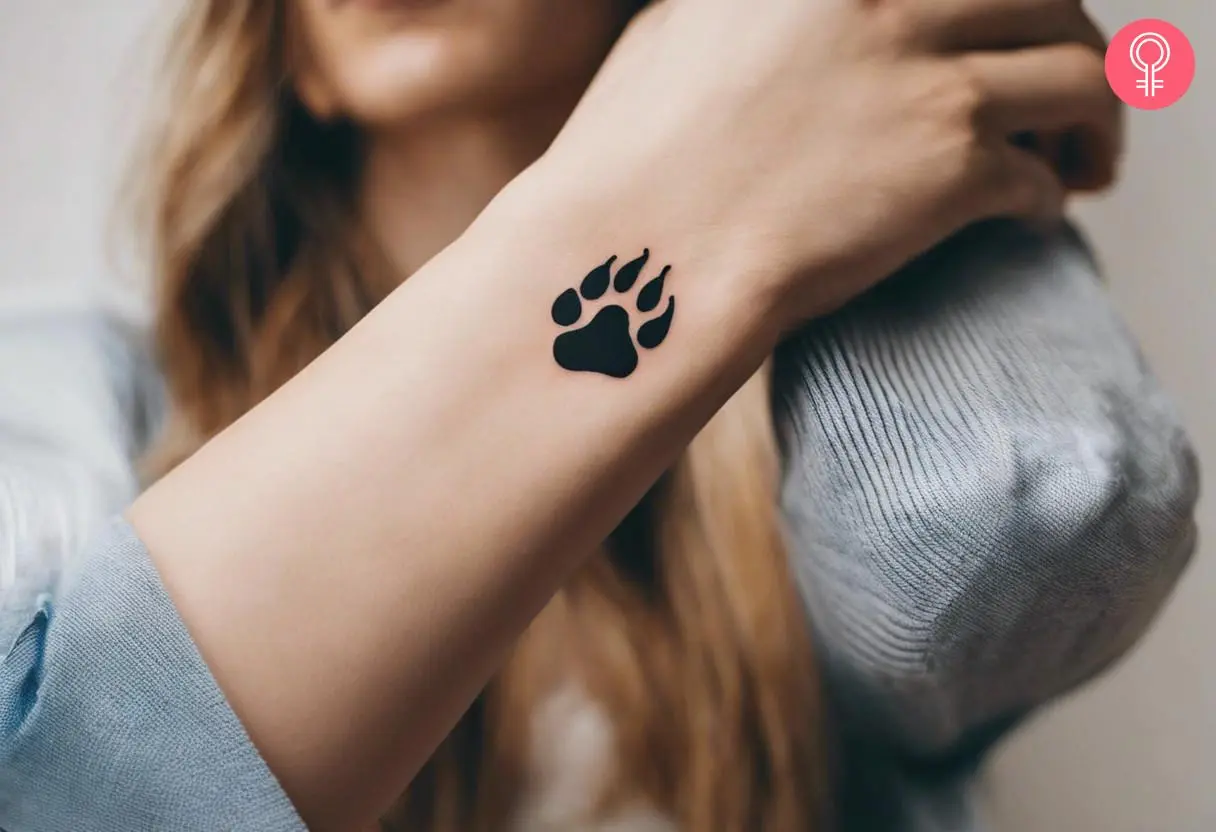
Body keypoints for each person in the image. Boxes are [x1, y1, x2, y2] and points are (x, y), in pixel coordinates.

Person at [0, 1, 1198, 831]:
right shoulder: (74, 406)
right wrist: (673, 204)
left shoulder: (814, 434)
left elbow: (1043, 507)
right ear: (288, 53)